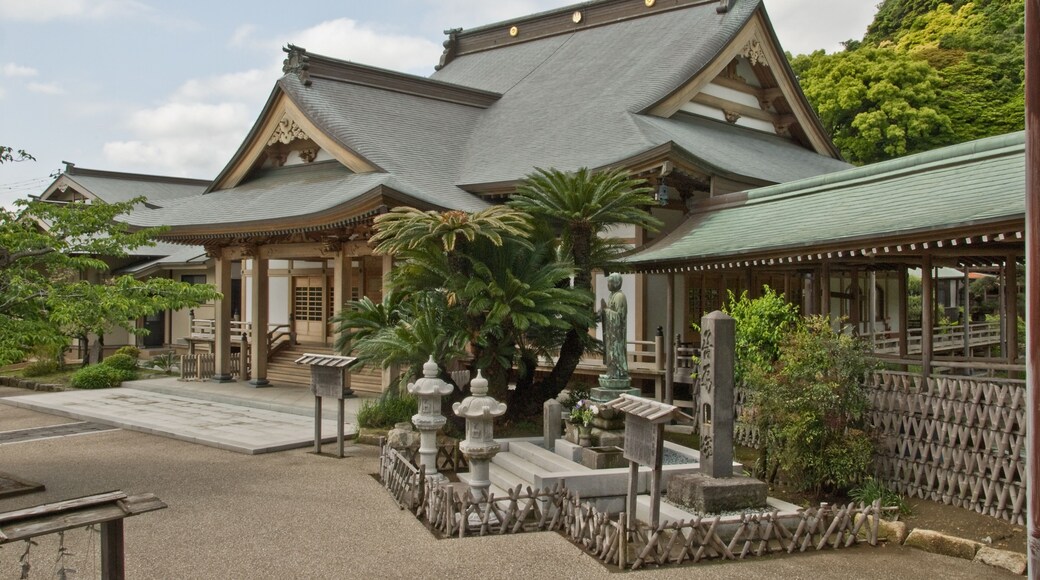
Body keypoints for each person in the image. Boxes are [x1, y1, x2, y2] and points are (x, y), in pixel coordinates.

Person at [600, 272, 629, 380]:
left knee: (615, 352)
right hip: (611, 332)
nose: (608, 284)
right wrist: (603, 311)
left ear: (617, 283)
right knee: (610, 353)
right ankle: (611, 373)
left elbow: (620, 317)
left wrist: (606, 310)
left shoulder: (620, 296)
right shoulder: (612, 295)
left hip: (617, 333)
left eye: (610, 282)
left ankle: (618, 373)